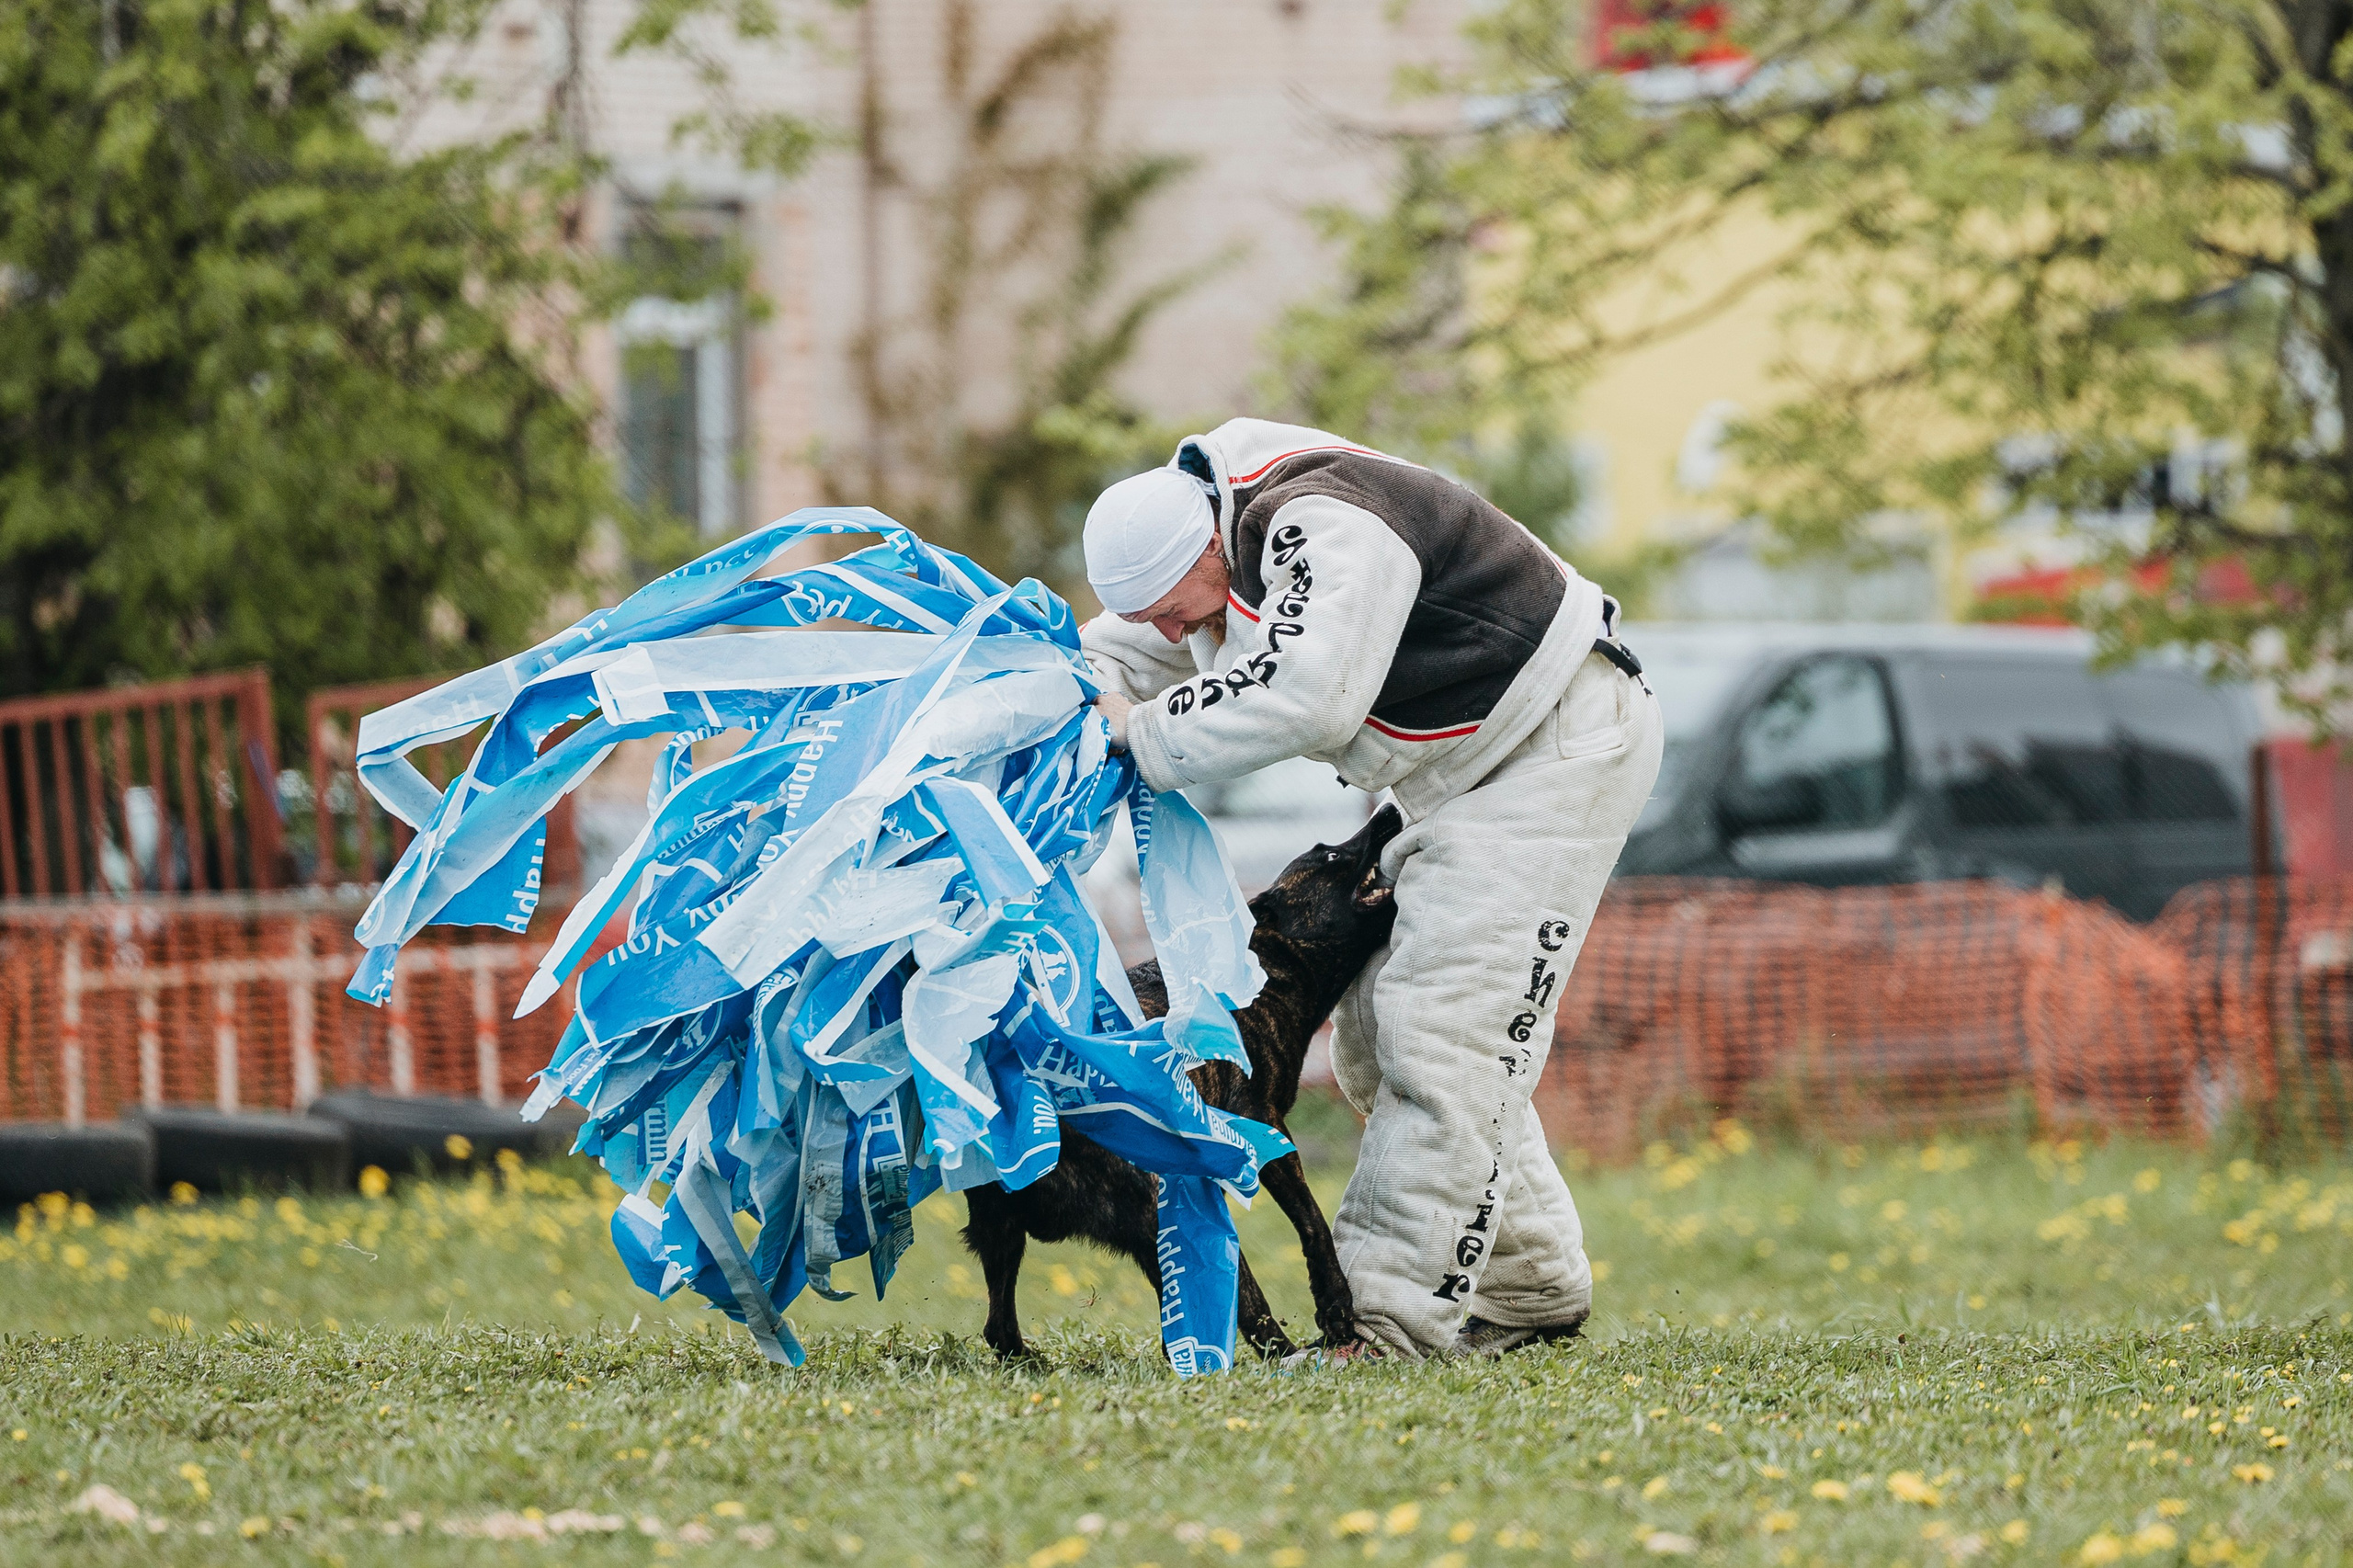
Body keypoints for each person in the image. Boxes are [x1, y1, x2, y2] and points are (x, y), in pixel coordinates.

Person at [1078, 419, 1662, 1360]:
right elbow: (1113, 654)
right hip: (1453, 770)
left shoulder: (1325, 522)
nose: (1170, 632)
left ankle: (1385, 1326)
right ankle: (1529, 1286)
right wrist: (1075, 697)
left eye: (1171, 609)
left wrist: (1135, 734)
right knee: (1374, 1042)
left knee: (1445, 1035)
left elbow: (1311, 692)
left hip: (1547, 749)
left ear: (1205, 546)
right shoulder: (1211, 536)